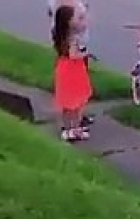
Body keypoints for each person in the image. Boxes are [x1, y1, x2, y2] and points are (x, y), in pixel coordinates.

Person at [48, 0, 94, 128]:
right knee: (76, 101)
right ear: (69, 22)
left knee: (67, 102)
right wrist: (85, 55)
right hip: (73, 70)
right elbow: (73, 55)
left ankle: (67, 127)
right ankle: (75, 127)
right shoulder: (72, 39)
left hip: (63, 67)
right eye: (78, 18)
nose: (81, 21)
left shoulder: (60, 37)